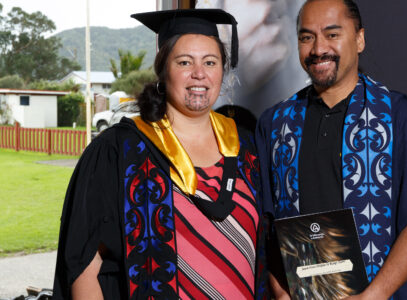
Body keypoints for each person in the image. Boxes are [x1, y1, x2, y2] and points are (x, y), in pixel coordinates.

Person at [53, 8, 268, 299]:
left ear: (223, 70)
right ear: (163, 70)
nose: (199, 74)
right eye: (184, 62)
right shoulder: (121, 150)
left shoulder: (247, 149)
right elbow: (84, 264)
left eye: (210, 61)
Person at [255, 0, 407, 299]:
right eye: (306, 37)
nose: (318, 48)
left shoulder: (402, 117)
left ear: (360, 39)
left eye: (332, 34)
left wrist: (372, 296)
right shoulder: (275, 125)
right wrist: (281, 292)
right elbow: (268, 225)